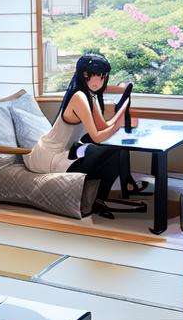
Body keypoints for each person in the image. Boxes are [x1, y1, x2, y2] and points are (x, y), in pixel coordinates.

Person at [23, 53, 147, 219]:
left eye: (101, 76)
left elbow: (104, 126)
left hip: (66, 153)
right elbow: (97, 136)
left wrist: (121, 118)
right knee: (113, 148)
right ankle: (112, 192)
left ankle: (100, 199)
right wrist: (119, 122)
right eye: (91, 76)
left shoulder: (90, 95)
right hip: (48, 157)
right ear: (83, 75)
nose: (96, 81)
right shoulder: (79, 97)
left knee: (116, 150)